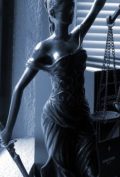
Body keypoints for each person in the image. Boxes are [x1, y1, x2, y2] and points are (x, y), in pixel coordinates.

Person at [0, 0, 107, 176]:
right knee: (64, 172)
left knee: (93, 170)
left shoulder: (77, 36)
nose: (70, 15)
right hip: (57, 117)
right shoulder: (44, 48)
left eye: (72, 10)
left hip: (81, 114)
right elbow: (19, 88)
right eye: (66, 11)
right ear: (52, 13)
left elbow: (96, 7)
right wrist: (8, 130)